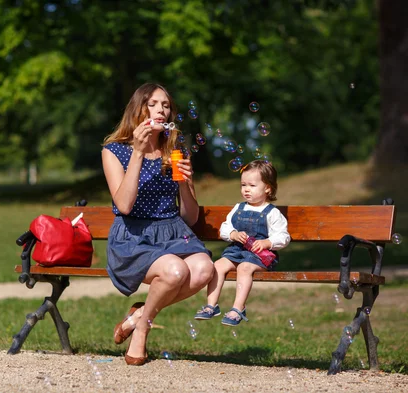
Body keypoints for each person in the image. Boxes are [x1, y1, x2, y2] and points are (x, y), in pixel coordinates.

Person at [101, 82, 214, 365]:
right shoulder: (114, 151)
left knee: (204, 269)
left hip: (173, 231)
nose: (161, 110)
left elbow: (189, 217)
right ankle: (142, 331)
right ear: (138, 109)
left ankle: (140, 315)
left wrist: (186, 184)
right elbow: (124, 205)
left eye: (165, 105)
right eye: (153, 104)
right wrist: (138, 153)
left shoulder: (174, 151)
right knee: (175, 271)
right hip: (133, 236)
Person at [194, 160, 290, 326]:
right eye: (243, 184)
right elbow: (225, 227)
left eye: (252, 185)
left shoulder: (272, 213)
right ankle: (211, 305)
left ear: (267, 188)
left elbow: (283, 237)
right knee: (217, 265)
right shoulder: (239, 208)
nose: (246, 189)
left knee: (244, 268)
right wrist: (233, 234)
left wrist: (267, 242)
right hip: (236, 251)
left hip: (259, 256)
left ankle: (238, 308)